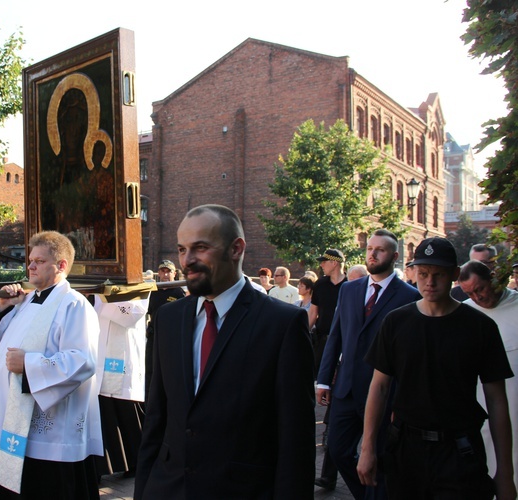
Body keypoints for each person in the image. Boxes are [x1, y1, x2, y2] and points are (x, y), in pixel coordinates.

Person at [136, 204, 315, 499]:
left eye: (201, 247)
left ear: (236, 249)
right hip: (168, 488)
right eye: (182, 249)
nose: (187, 261)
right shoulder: (169, 319)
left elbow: (296, 439)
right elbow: (157, 418)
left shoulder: (281, 324)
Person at [358, 238, 516, 500]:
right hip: (406, 451)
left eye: (438, 274)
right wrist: (367, 447)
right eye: (423, 274)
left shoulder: (479, 327)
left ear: (454, 275)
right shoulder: (396, 322)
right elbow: (379, 386)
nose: (429, 282)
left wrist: (505, 472)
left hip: (459, 454)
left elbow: (497, 401)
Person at [0, 230, 102, 499]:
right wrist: (3, 308)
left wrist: (29, 364)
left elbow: (82, 361)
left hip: (46, 433)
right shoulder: (26, 301)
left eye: (39, 261)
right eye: (30, 260)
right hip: (7, 421)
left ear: (62, 265)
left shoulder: (73, 305)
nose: (29, 266)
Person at [316, 229, 420, 499]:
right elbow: (336, 335)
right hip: (346, 389)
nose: (372, 254)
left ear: (394, 256)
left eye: (380, 250)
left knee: (381, 458)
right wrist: (324, 379)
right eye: (369, 248)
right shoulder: (350, 290)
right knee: (338, 451)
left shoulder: (409, 296)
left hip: (386, 394)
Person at [458, 259, 518, 488]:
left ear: (492, 278)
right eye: (470, 293)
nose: (477, 298)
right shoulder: (465, 313)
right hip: (481, 411)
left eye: (480, 289)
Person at [92, 293, 148, 478]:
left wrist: (99, 300)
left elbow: (131, 315)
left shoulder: (139, 287)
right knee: (101, 413)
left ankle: (136, 462)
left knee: (126, 413)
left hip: (123, 357)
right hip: (98, 355)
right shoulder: (91, 290)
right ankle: (100, 467)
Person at [309, 248, 347, 491]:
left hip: (345, 341)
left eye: (324, 261)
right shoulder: (320, 286)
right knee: (324, 386)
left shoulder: (353, 285)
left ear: (335, 263)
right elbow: (313, 313)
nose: (321, 264)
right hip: (324, 341)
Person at [144, 260, 186, 398]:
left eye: (168, 271)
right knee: (150, 368)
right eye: (163, 271)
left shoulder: (179, 292)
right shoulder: (153, 292)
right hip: (153, 335)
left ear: (174, 273)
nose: (166, 274)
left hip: (170, 338)